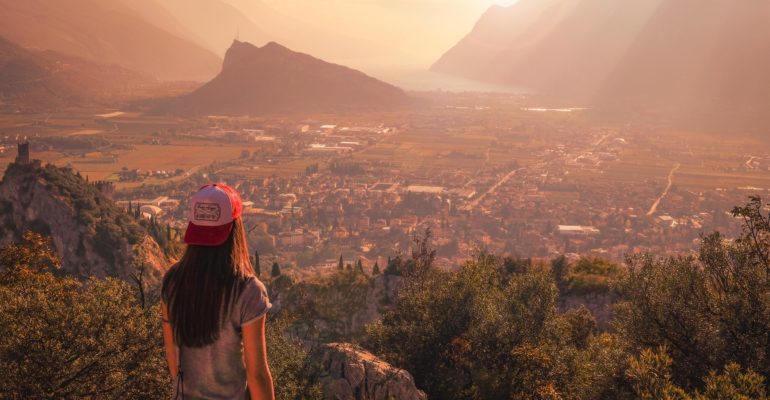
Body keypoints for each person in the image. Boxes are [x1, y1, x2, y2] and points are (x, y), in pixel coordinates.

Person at [161, 183, 274, 400]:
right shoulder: (248, 291)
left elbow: (173, 357)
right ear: (235, 229)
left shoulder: (173, 281)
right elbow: (257, 374)